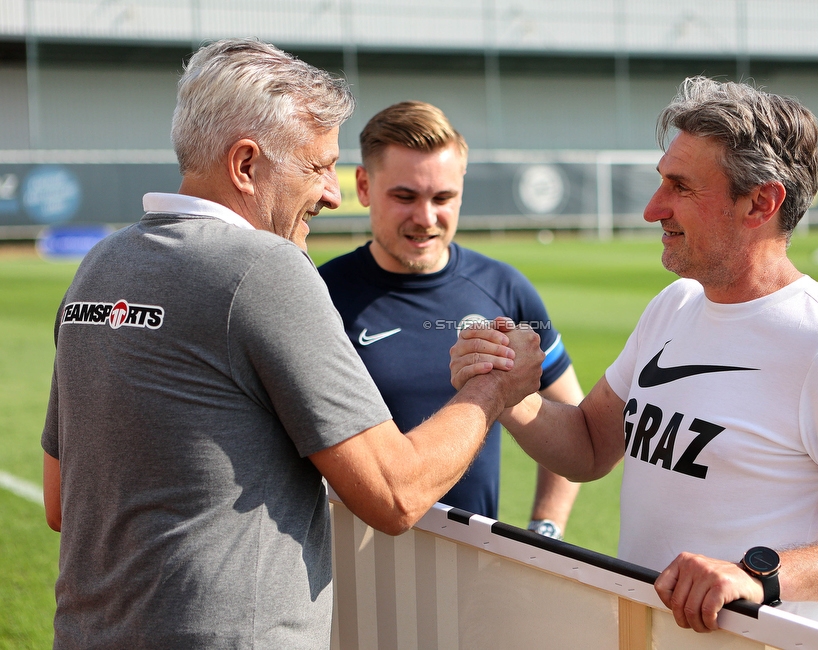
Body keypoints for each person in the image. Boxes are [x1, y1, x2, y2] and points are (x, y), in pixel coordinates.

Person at [40, 39, 542, 648]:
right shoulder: (265, 269)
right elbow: (394, 493)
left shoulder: (101, 264)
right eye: (316, 166)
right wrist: (494, 388)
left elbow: (61, 502)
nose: (331, 194)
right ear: (246, 165)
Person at [450, 77, 818, 632]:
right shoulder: (674, 305)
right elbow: (588, 447)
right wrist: (510, 394)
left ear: (761, 201)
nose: (652, 209)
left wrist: (757, 576)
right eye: (661, 181)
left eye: (681, 187)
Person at [318, 101, 583, 535]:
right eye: (404, 196)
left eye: (443, 198)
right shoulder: (321, 297)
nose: (425, 219)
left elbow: (572, 416)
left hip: (473, 571)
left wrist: (546, 527)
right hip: (353, 570)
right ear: (363, 186)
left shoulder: (505, 289)